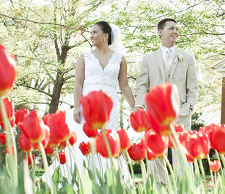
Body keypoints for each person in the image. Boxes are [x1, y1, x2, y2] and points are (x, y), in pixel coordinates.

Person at [64, 21, 135, 179]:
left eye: (95, 32)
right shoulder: (84, 57)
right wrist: (76, 106)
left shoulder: (120, 59)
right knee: (86, 141)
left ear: (105, 36)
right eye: (91, 32)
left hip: (110, 106)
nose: (91, 35)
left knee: (108, 141)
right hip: (88, 105)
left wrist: (135, 108)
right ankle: (83, 181)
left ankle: (109, 181)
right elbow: (78, 83)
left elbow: (124, 86)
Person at [134, 18, 199, 184]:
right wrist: (139, 107)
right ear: (160, 32)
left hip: (181, 113)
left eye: (177, 29)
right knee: (155, 157)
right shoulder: (148, 59)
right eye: (171, 28)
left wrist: (189, 108)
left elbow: (193, 87)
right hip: (154, 115)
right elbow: (142, 86)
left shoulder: (188, 58)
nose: (175, 31)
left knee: (182, 156)